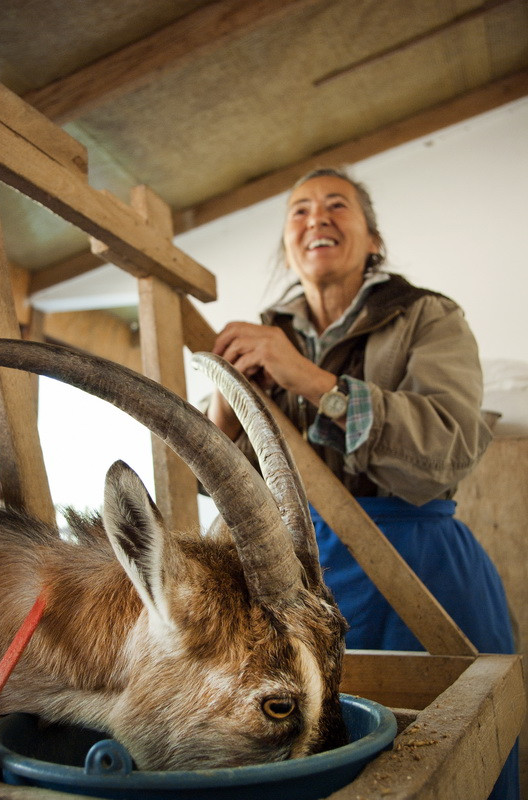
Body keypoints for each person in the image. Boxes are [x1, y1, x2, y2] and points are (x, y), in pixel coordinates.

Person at [206, 167, 518, 799]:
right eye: (299, 211)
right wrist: (222, 419)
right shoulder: (265, 336)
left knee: (446, 754)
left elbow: (446, 448)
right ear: (289, 244)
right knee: (310, 757)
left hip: (422, 564)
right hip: (302, 579)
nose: (315, 218)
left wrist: (308, 380)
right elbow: (237, 492)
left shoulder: (427, 317)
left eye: (335, 206)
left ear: (372, 239)